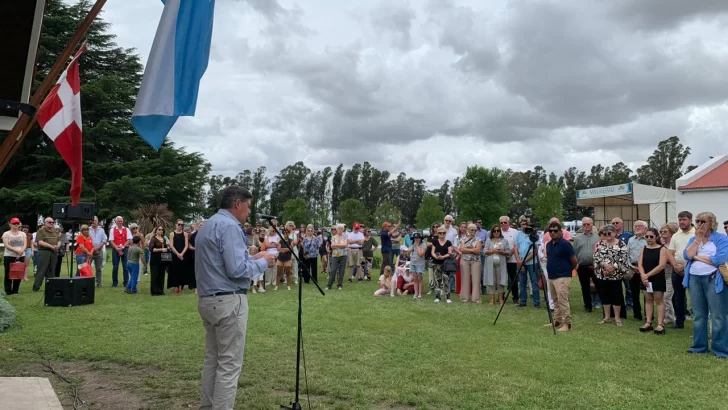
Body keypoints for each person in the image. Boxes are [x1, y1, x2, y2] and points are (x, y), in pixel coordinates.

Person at [195, 186, 276, 409]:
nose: (249, 212)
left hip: (208, 299)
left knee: (213, 360)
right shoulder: (230, 226)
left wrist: (253, 258)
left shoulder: (209, 224)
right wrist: (263, 262)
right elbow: (236, 270)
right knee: (229, 364)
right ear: (237, 204)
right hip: (228, 301)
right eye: (248, 206)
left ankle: (207, 406)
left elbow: (223, 263)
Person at [682, 212, 728, 358]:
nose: (700, 224)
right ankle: (699, 347)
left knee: (718, 316)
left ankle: (720, 349)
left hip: (714, 279)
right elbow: (686, 255)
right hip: (694, 279)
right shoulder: (693, 239)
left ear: (712, 223)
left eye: (703, 221)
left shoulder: (721, 238)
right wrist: (697, 240)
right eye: (698, 221)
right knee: (699, 315)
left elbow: (719, 259)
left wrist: (695, 257)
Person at [544, 221, 577, 332]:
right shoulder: (548, 245)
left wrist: (567, 271)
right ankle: (557, 320)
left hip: (562, 276)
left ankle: (567, 324)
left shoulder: (565, 244)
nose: (553, 233)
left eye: (555, 231)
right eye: (550, 231)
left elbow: (574, 261)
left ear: (560, 232)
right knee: (555, 300)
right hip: (552, 276)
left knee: (563, 300)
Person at [594, 225, 628, 326]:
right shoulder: (600, 243)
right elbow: (596, 257)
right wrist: (604, 265)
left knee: (616, 296)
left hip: (616, 275)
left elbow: (624, 258)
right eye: (605, 234)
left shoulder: (621, 244)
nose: (607, 235)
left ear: (614, 233)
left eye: (609, 233)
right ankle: (607, 317)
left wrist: (613, 267)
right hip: (603, 275)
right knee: (605, 296)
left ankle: (617, 317)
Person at [637, 227, 668, 334]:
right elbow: (640, 264)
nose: (649, 239)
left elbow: (661, 265)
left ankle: (660, 324)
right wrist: (643, 275)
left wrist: (647, 275)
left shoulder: (662, 249)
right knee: (648, 300)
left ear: (656, 237)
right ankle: (648, 322)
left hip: (657, 277)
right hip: (645, 277)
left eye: (651, 236)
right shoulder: (643, 249)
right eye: (647, 237)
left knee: (659, 300)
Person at [668, 211, 695, 329]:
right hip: (676, 269)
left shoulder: (696, 234)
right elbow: (670, 252)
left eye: (684, 219)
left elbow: (697, 253)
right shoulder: (676, 235)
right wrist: (675, 265)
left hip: (692, 268)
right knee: (678, 296)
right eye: (680, 220)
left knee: (695, 296)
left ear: (690, 220)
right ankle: (679, 322)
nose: (681, 222)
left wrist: (684, 266)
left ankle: (698, 323)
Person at [573, 217, 599, 312]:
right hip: (582, 266)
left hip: (595, 266)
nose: (586, 226)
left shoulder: (598, 237)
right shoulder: (577, 238)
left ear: (592, 225)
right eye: (584, 224)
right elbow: (575, 253)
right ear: (582, 226)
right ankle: (588, 305)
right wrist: (576, 265)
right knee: (585, 286)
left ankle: (602, 303)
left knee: (599, 285)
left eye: (588, 224)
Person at [33, 217, 60, 292]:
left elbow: (58, 240)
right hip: (44, 252)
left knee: (52, 270)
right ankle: (36, 287)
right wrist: (51, 246)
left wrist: (57, 246)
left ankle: (50, 286)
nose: (51, 223)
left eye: (52, 222)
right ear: (45, 222)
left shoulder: (55, 231)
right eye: (49, 222)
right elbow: (40, 242)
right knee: (41, 269)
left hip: (54, 252)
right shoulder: (41, 231)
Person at [459, 223, 483, 304]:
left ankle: (475, 299)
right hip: (465, 260)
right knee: (465, 279)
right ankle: (464, 298)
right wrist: (473, 249)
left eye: (475, 230)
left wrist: (467, 249)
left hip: (476, 261)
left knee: (476, 280)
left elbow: (478, 250)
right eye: (472, 229)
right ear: (468, 230)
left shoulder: (479, 239)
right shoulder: (463, 239)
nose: (473, 231)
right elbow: (461, 249)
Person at [430, 226, 455, 304]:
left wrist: (443, 257)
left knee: (446, 280)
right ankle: (438, 297)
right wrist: (436, 257)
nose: (442, 234)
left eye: (443, 233)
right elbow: (432, 252)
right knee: (437, 280)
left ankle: (448, 297)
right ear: (437, 233)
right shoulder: (435, 241)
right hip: (436, 263)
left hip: (445, 264)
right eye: (440, 233)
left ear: (445, 233)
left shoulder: (448, 242)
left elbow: (450, 253)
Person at [3, 217, 27, 295]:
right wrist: (17, 250)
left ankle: (15, 290)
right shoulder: (6, 234)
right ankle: (8, 290)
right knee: (8, 273)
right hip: (9, 256)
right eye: (14, 224)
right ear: (10, 224)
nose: (16, 225)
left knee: (18, 273)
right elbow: (6, 245)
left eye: (17, 223)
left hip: (20, 255)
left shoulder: (22, 233)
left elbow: (25, 244)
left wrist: (21, 251)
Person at [409, 232, 427, 300]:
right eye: (415, 238)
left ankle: (420, 294)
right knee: (415, 279)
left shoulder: (423, 245)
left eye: (418, 238)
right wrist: (408, 250)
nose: (417, 239)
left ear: (420, 239)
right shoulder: (413, 245)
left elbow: (421, 254)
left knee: (420, 279)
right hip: (413, 263)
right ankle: (416, 293)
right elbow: (408, 251)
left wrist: (417, 246)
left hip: (420, 264)